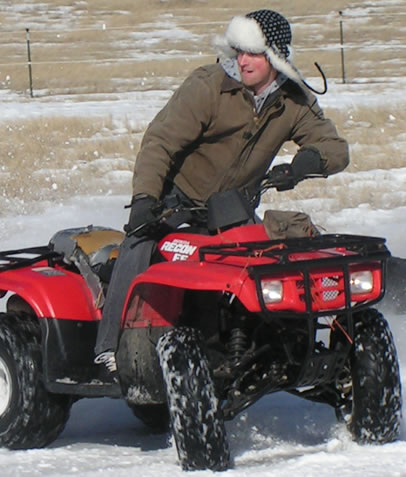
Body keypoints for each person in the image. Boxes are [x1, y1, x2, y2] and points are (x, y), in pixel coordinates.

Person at [93, 9, 349, 375]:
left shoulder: (294, 101)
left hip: (234, 210)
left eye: (254, 53)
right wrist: (145, 201)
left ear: (275, 56)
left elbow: (336, 149)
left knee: (267, 264)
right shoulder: (209, 86)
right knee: (138, 247)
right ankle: (110, 349)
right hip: (175, 203)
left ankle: (269, 345)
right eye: (238, 51)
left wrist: (303, 164)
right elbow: (159, 143)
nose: (243, 61)